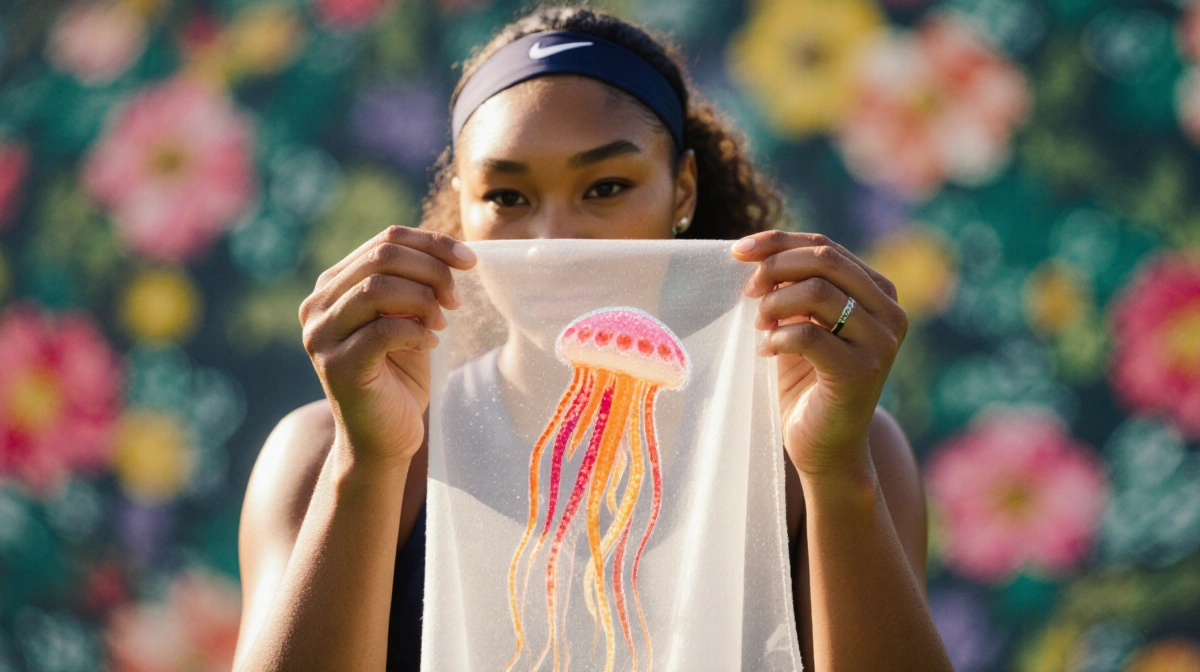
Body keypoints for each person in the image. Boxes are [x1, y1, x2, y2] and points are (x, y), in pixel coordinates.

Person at [232, 5, 953, 671]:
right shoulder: (324, 453)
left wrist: (837, 474)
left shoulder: (834, 444)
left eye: (605, 188)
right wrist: (367, 463)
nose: (554, 243)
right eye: (507, 198)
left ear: (683, 191)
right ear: (462, 209)